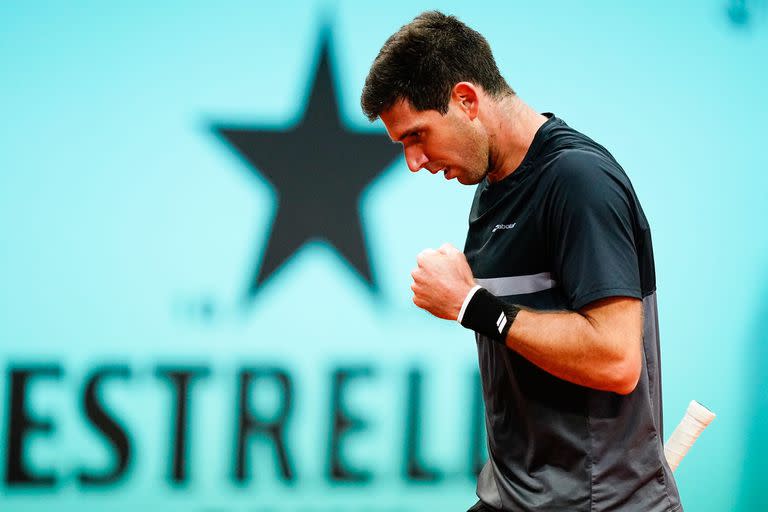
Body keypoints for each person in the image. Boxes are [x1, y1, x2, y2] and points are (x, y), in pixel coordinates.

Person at [360, 11, 683, 512]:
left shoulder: (579, 181)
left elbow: (617, 360)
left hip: (598, 504)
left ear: (466, 99)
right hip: (515, 497)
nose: (413, 162)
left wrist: (472, 305)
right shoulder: (490, 187)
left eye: (417, 136)